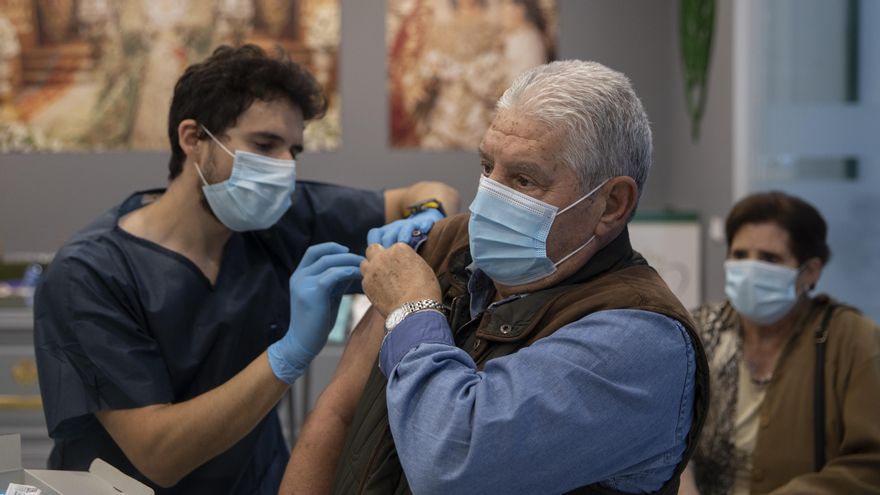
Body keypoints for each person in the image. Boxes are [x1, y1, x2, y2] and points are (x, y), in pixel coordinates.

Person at [32, 44, 458, 494]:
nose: (285, 169)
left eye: (294, 149)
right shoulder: (90, 274)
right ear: (193, 139)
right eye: (264, 145)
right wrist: (290, 353)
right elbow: (159, 455)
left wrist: (427, 215)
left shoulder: (279, 221)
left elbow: (433, 190)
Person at [280, 60, 710, 494]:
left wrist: (413, 312)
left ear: (612, 204)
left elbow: (452, 461)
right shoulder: (451, 245)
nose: (489, 198)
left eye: (524, 179)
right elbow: (339, 410)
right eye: (488, 167)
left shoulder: (640, 342)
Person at [678, 192, 880, 495]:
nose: (750, 270)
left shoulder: (851, 340)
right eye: (740, 255)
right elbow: (661, 436)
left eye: (770, 259)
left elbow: (869, 463)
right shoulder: (698, 331)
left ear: (809, 272)